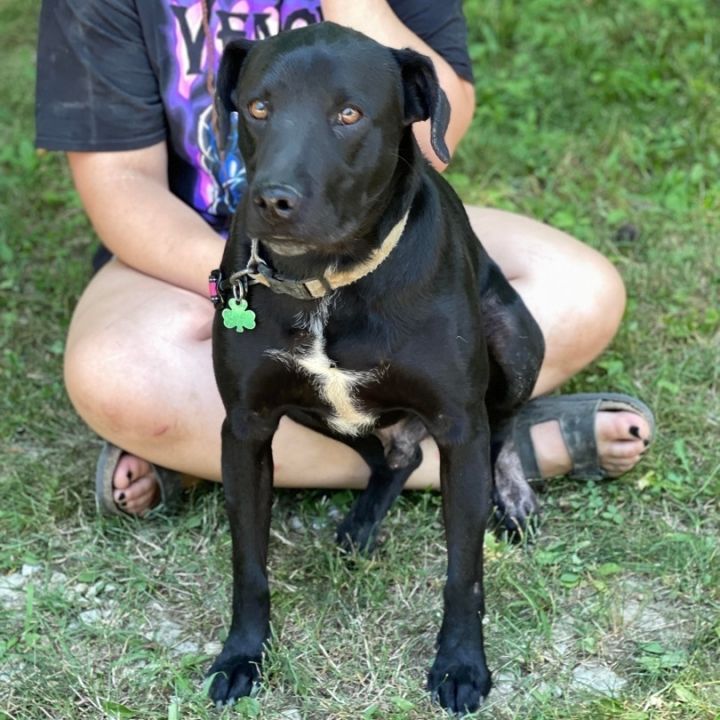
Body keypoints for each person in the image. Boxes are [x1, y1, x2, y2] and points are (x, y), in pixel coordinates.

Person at [36, 0, 654, 517]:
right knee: (115, 374)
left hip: (372, 231)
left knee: (580, 290)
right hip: (201, 245)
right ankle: (471, 453)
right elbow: (123, 187)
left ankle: (204, 462)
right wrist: (254, 274)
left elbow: (440, 138)